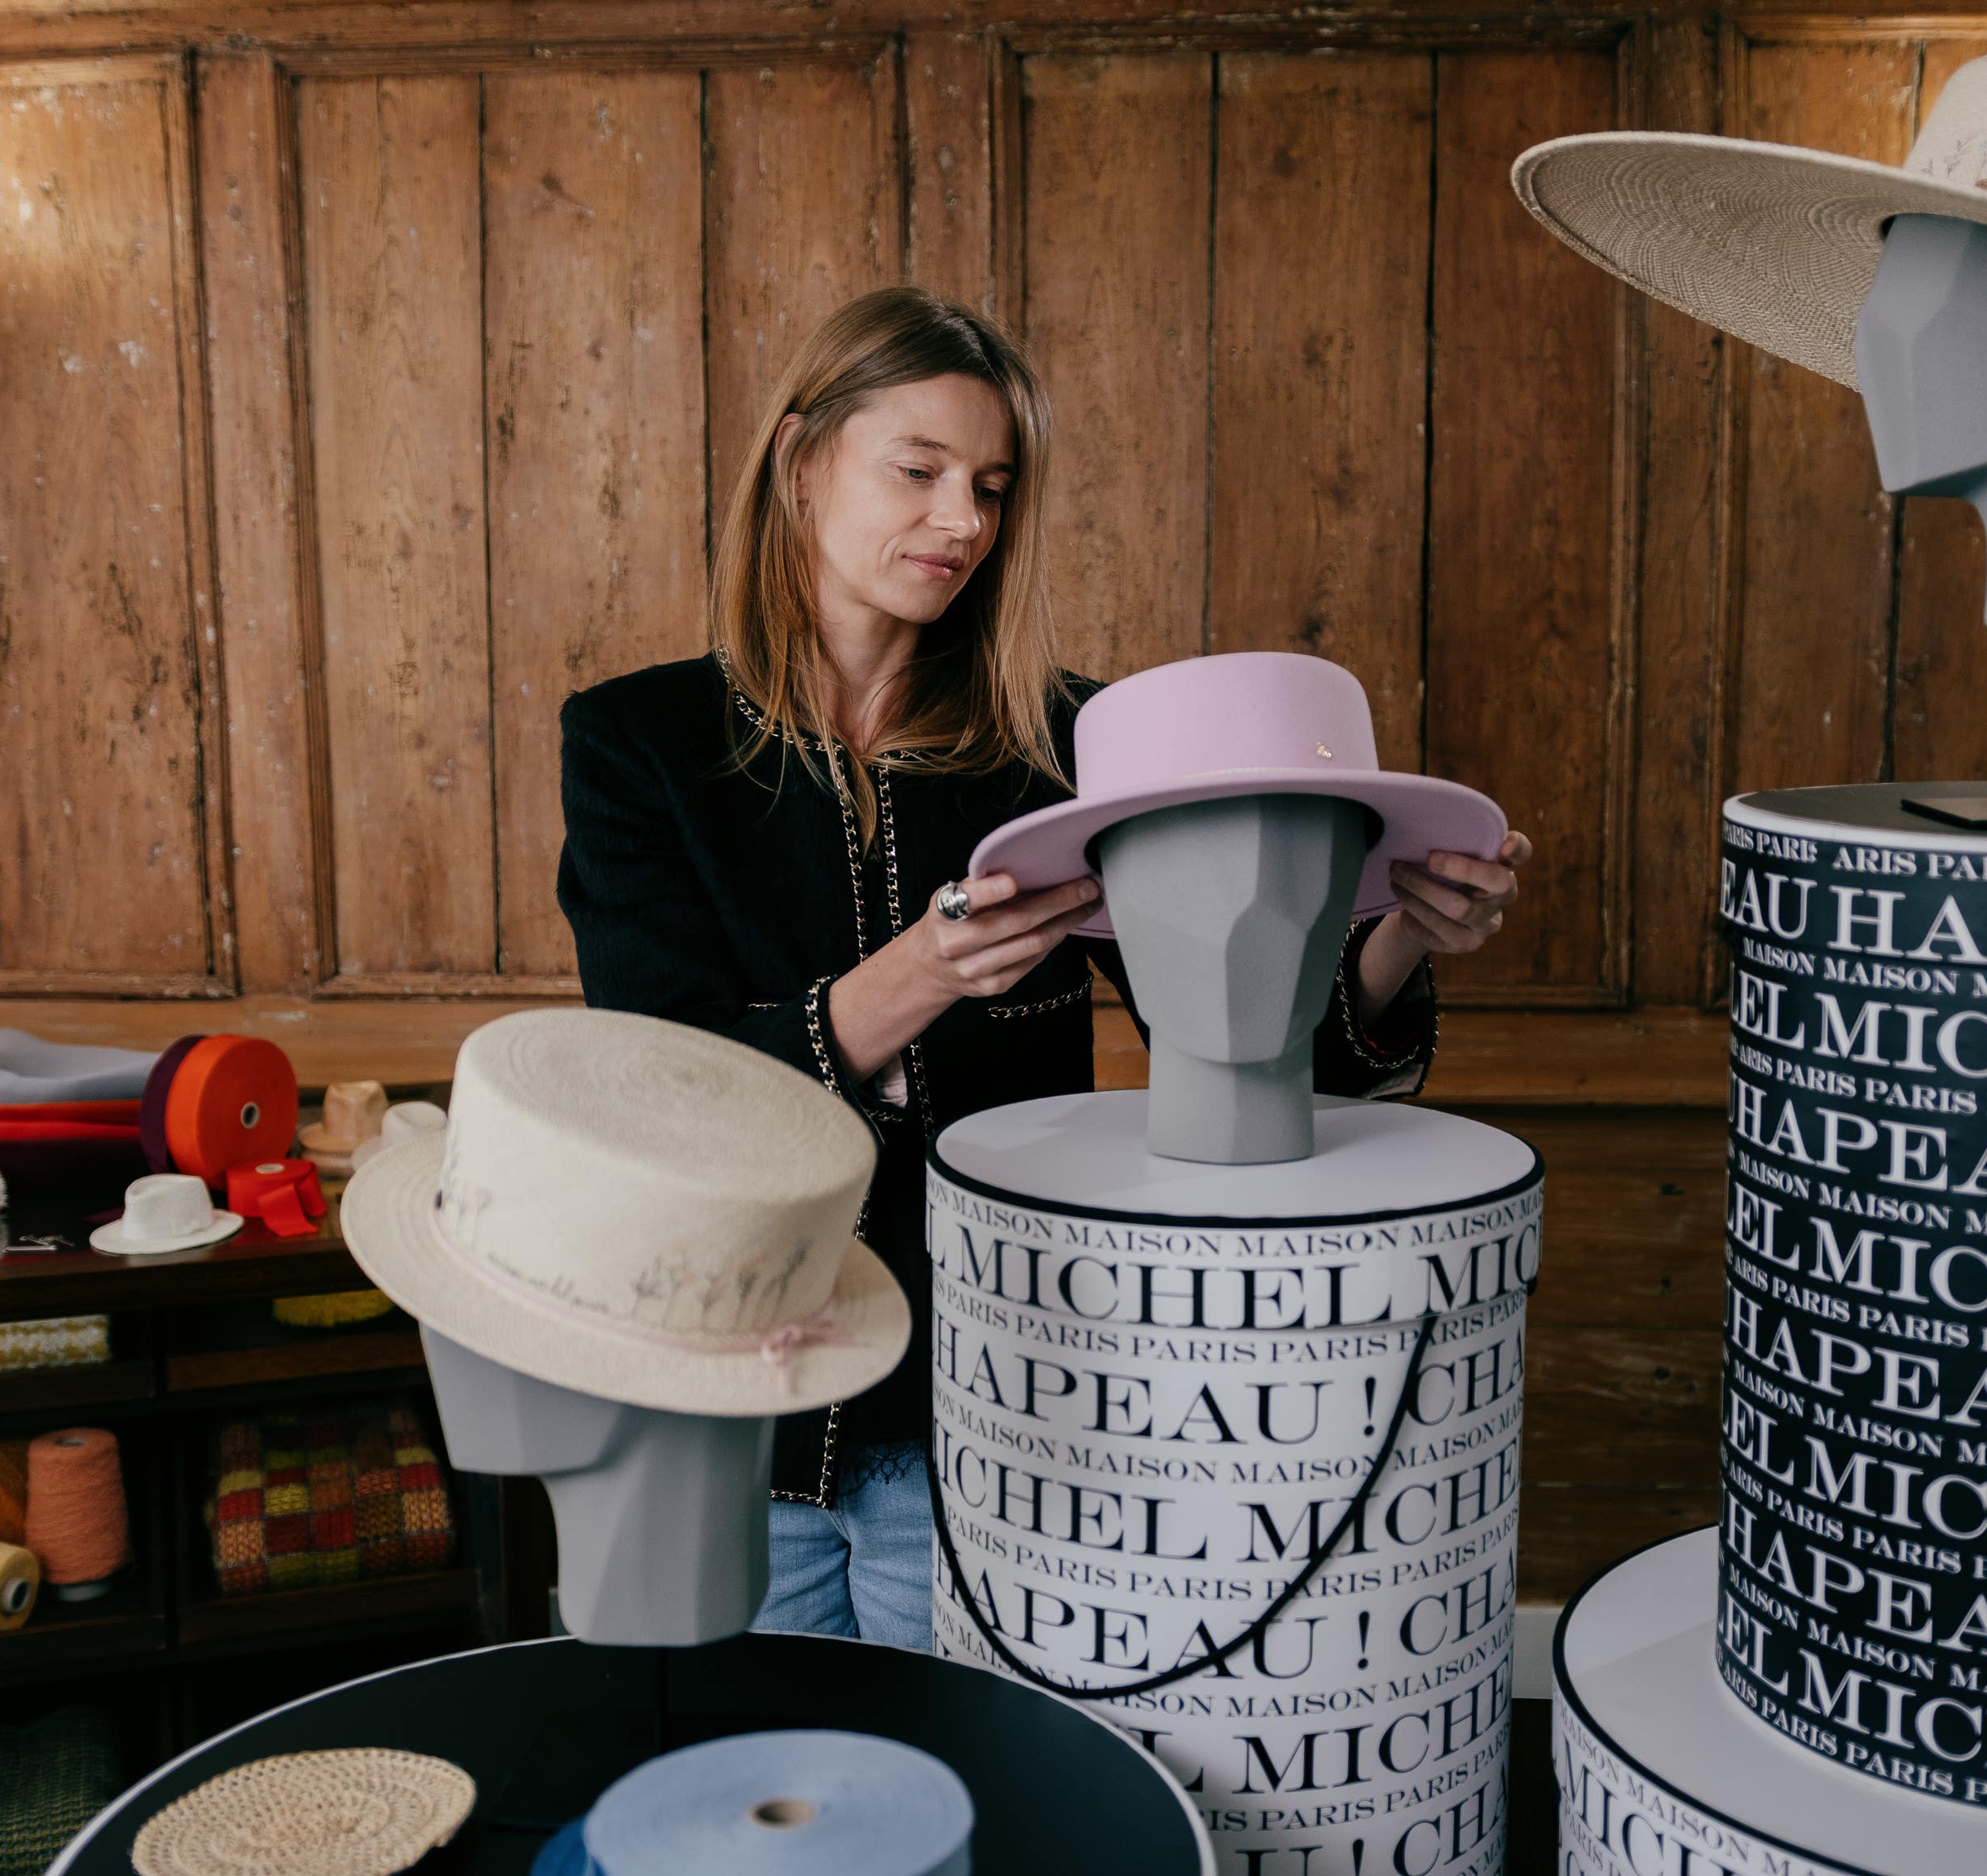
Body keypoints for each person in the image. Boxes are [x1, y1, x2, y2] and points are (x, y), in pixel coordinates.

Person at [556, 285, 1531, 1651]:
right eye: (921, 470)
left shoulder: (1068, 744)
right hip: (726, 1408)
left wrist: (1410, 930)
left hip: (989, 1412)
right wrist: (920, 974)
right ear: (797, 463)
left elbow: (1280, 1057)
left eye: (993, 487)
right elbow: (661, 1098)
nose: (963, 521)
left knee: (960, 1813)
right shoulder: (636, 744)